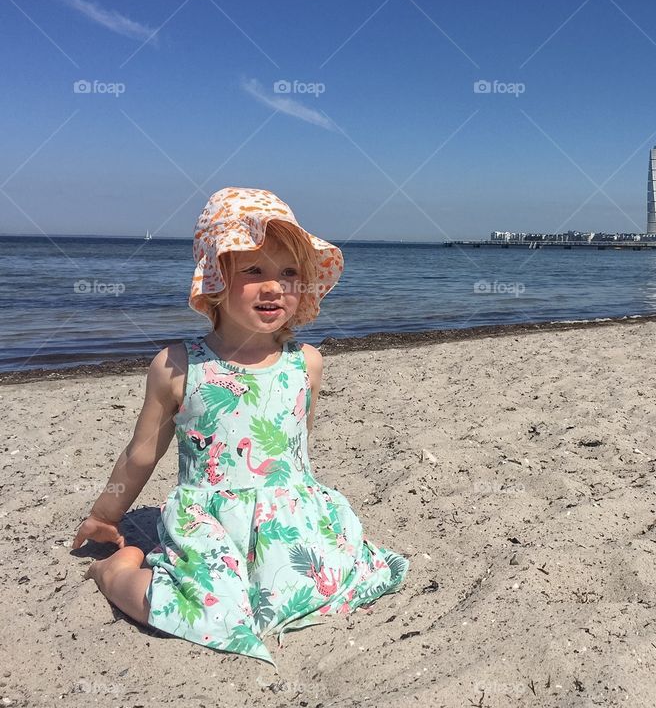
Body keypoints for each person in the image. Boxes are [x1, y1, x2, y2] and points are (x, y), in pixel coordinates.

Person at [73, 187, 409, 664]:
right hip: (211, 521)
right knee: (212, 615)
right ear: (214, 277)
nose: (274, 286)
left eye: (289, 273)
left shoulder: (306, 363)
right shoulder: (178, 365)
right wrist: (106, 515)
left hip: (291, 514)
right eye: (254, 270)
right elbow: (141, 452)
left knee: (333, 583)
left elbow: (297, 446)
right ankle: (116, 574)